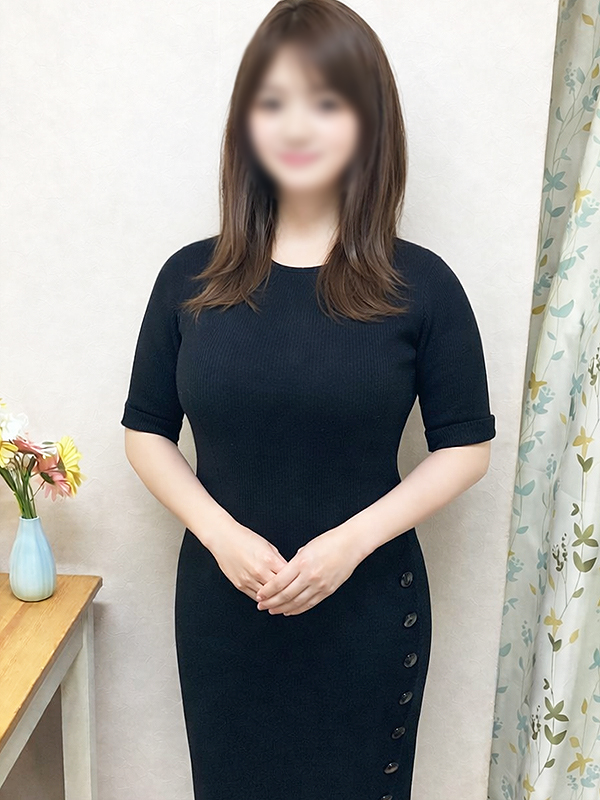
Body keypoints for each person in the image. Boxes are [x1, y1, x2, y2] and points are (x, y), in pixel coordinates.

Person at [120, 1, 496, 798]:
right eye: (274, 101)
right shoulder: (189, 280)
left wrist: (347, 546)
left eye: (326, 102)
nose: (297, 125)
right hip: (225, 611)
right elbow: (146, 432)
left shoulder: (421, 285)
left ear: (368, 121)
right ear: (246, 121)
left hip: (367, 616)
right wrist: (220, 536)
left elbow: (466, 447)